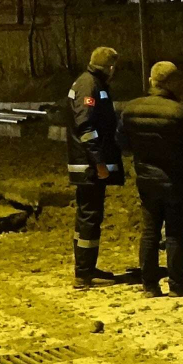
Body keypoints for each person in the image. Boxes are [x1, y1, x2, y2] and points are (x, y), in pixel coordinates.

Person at [118, 62, 183, 297]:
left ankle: (149, 285)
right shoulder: (181, 112)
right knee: (175, 233)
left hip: (147, 178)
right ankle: (177, 283)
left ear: (152, 81)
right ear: (173, 83)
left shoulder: (131, 109)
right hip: (177, 180)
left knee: (150, 231)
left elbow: (123, 143)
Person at [67, 46, 126, 289]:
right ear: (110, 67)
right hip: (89, 166)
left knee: (87, 216)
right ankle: (84, 274)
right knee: (90, 217)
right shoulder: (90, 86)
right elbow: (87, 127)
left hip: (86, 164)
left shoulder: (88, 82)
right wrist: (99, 162)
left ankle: (86, 267)